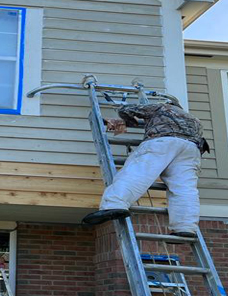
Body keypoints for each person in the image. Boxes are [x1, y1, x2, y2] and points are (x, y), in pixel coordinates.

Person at [82, 100, 209, 239]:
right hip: (191, 150)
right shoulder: (194, 120)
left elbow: (127, 109)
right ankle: (185, 227)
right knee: (184, 188)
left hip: (163, 142)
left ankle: (114, 204)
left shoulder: (161, 106)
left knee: (138, 173)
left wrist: (128, 121)